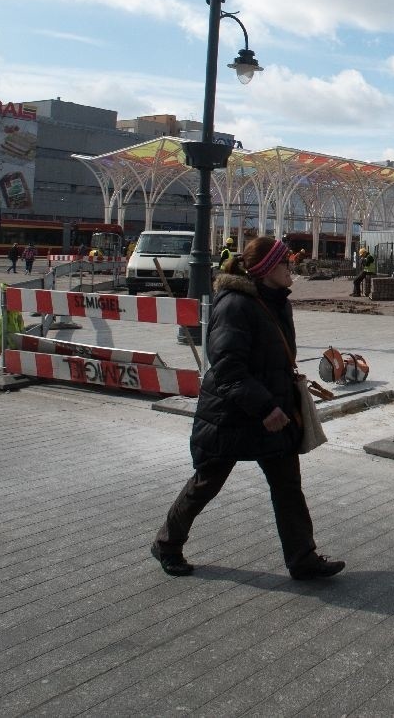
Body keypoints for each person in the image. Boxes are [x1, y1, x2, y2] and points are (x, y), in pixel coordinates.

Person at [151, 235, 345, 581]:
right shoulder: (236, 305)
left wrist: (276, 402)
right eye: (286, 263)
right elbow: (226, 366)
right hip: (233, 414)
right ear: (266, 269)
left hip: (273, 410)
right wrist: (264, 407)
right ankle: (167, 543)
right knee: (207, 483)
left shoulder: (275, 300)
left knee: (287, 484)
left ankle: (303, 559)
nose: (292, 268)